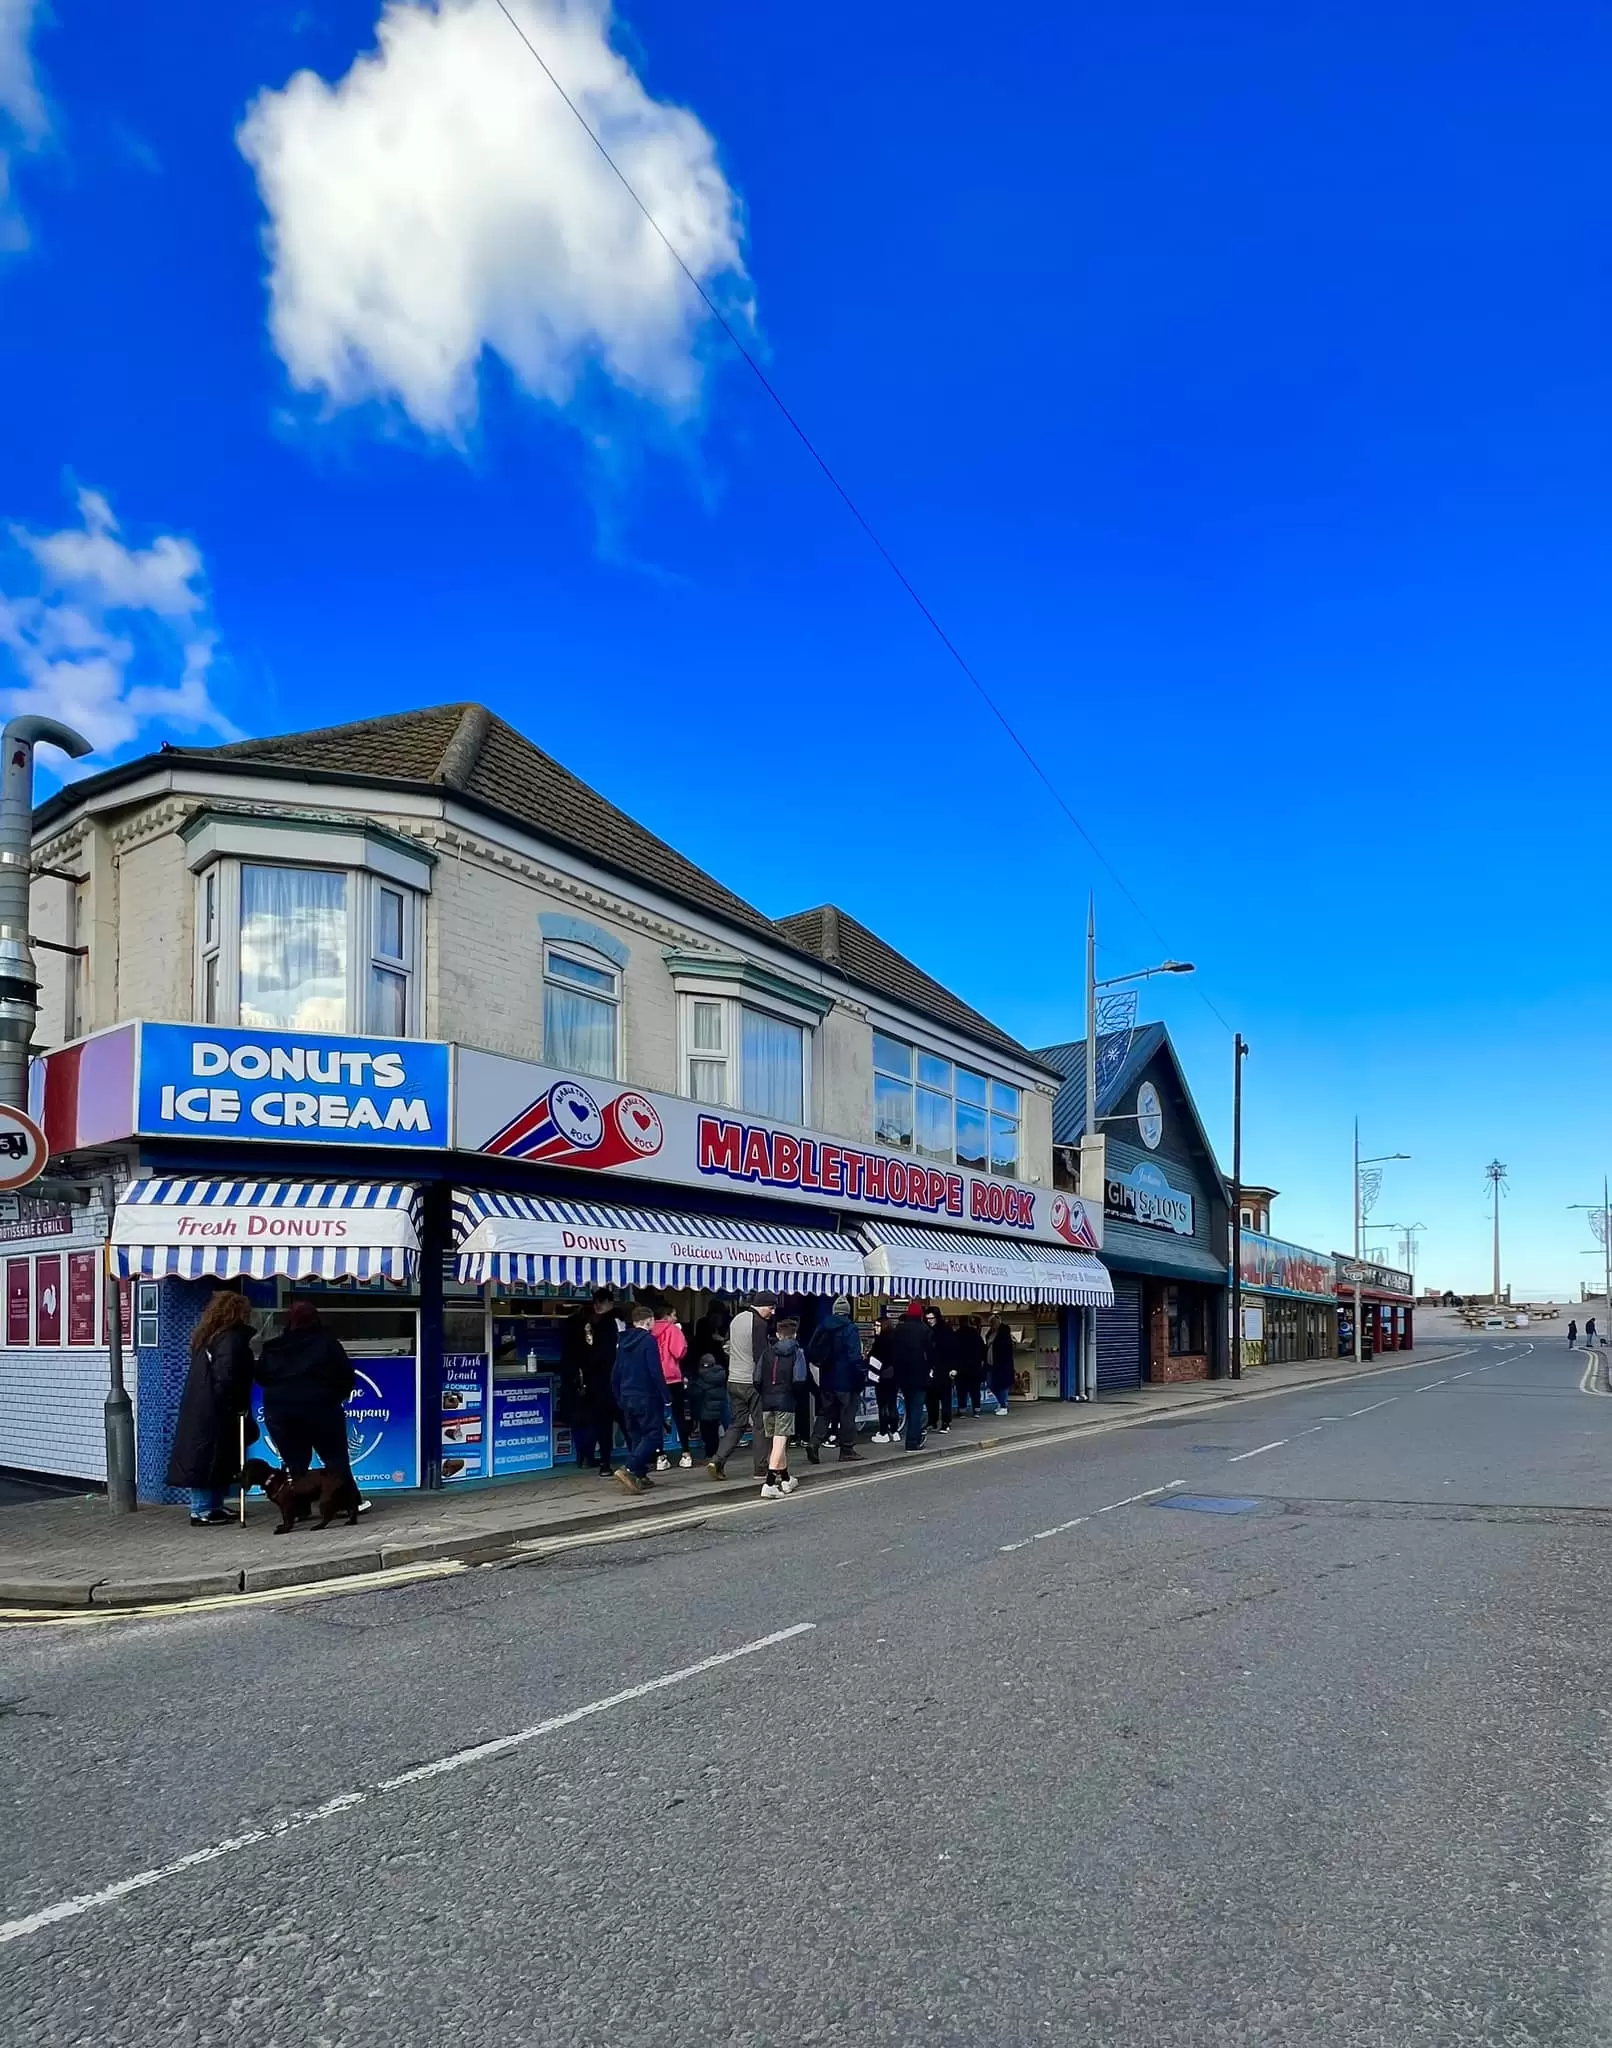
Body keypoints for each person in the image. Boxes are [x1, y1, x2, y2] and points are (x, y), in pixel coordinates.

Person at [168, 1290, 258, 1525]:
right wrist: (235, 1403)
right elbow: (227, 1376)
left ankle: (212, 1505)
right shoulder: (230, 1339)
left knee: (212, 1457)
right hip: (217, 1409)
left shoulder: (208, 1336)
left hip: (204, 1407)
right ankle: (202, 1509)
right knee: (209, 1457)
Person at [256, 1300, 355, 1492]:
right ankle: (346, 1502)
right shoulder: (327, 1343)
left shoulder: (273, 1348)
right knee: (335, 1459)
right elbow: (345, 1376)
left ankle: (299, 1507)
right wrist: (333, 1397)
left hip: (280, 1412)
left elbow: (261, 1376)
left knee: (295, 1463)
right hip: (321, 1409)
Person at [710, 1294, 776, 1480]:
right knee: (759, 1426)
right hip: (751, 1382)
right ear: (761, 1306)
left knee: (737, 1423)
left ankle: (717, 1460)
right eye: (770, 1308)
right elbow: (761, 1357)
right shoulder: (759, 1324)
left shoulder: (737, 1319)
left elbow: (728, 1347)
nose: (772, 1312)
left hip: (734, 1380)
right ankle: (761, 1469)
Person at [564, 1287, 621, 1477]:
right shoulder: (611, 1323)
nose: (597, 1306)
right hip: (610, 1381)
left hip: (595, 1382)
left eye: (600, 1302)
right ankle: (636, 1462)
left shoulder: (592, 1324)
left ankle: (601, 1461)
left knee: (602, 1424)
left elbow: (587, 1354)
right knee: (623, 1422)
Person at [610, 1302, 665, 1495]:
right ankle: (630, 1469)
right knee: (653, 1435)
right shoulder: (649, 1341)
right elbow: (655, 1371)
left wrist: (618, 1395)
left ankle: (640, 1476)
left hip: (626, 1396)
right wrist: (666, 1396)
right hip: (646, 1396)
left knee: (636, 1436)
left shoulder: (622, 1341)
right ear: (649, 1321)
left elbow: (615, 1373)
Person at [807, 1296, 867, 1465]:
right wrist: (860, 1374)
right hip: (846, 1379)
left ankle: (814, 1442)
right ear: (848, 1312)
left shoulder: (823, 1326)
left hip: (827, 1377)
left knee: (825, 1413)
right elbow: (854, 1356)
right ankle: (847, 1450)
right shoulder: (850, 1329)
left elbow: (811, 1350)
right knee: (847, 1415)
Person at [755, 1316, 806, 1498]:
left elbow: (757, 1378)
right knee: (780, 1441)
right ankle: (769, 1483)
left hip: (767, 1401)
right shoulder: (797, 1353)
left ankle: (785, 1479)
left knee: (775, 1443)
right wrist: (793, 1396)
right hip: (786, 1400)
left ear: (777, 1334)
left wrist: (766, 1393)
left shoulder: (766, 1353)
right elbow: (799, 1379)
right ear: (794, 1334)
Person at [884, 1301, 934, 1451]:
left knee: (909, 1405)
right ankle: (912, 1441)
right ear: (920, 1314)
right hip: (920, 1375)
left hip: (902, 1375)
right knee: (916, 1407)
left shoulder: (898, 1330)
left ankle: (912, 1436)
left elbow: (892, 1352)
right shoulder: (925, 1330)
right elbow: (931, 1354)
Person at [651, 1296, 692, 1470]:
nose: (676, 1318)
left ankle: (660, 1456)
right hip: (672, 1377)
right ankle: (685, 1453)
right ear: (666, 1316)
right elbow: (679, 1352)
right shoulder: (673, 1330)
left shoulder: (648, 1330)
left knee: (656, 1417)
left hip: (653, 1379)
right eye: (674, 1315)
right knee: (679, 1415)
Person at [690, 1329, 729, 1461]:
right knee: (714, 1434)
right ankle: (716, 1453)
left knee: (707, 1434)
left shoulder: (700, 1380)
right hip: (716, 1412)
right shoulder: (720, 1376)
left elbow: (694, 1394)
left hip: (704, 1412)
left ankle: (710, 1453)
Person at [869, 1313, 901, 1442]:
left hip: (882, 1377)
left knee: (882, 1405)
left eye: (877, 1325)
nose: (875, 1328)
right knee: (892, 1404)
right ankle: (894, 1431)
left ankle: (883, 1433)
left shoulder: (880, 1341)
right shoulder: (895, 1340)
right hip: (894, 1376)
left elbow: (875, 1358)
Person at [924, 1305, 954, 1434]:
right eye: (927, 1318)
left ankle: (946, 1422)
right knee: (931, 1397)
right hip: (930, 1367)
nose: (929, 1320)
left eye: (931, 1318)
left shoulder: (945, 1330)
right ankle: (932, 1421)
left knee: (945, 1397)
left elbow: (953, 1350)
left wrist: (954, 1368)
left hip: (944, 1368)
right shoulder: (926, 1330)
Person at [953, 1315, 987, 1417]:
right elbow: (983, 1350)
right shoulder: (975, 1335)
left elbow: (953, 1352)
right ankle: (977, 1410)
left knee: (961, 1390)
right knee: (975, 1390)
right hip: (975, 1366)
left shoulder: (956, 1335)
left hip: (961, 1367)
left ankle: (962, 1410)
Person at [987, 1313, 1016, 1415]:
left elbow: (1005, 1349)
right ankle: (1001, 1402)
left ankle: (1003, 1405)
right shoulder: (990, 1333)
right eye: (991, 1323)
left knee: (1003, 1385)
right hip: (991, 1363)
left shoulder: (1004, 1333)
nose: (992, 1324)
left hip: (1002, 1364)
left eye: (993, 1322)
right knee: (991, 1384)